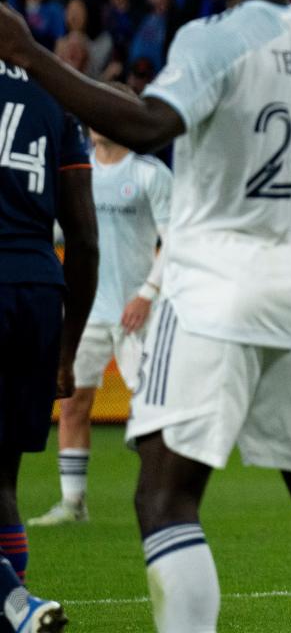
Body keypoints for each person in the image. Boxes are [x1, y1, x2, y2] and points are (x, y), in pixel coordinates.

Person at [0, 0, 291, 631]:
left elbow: (149, 125)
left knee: (164, 498)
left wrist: (25, 52)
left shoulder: (215, 39)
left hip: (210, 299)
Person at [29, 83, 172, 528]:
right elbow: (53, 229)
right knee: (72, 401)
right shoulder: (75, 169)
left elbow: (178, 240)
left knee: (154, 407)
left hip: (137, 311)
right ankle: (73, 504)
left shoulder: (150, 174)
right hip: (85, 310)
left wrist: (147, 293)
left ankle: (167, 503)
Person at [0, 58, 99, 631]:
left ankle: (17, 604)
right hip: (39, 290)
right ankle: (18, 613)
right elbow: (83, 237)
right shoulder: (52, 96)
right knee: (1, 481)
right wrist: (68, 348)